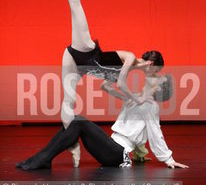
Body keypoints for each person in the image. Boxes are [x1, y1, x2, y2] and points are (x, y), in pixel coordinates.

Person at [58, 0, 165, 131]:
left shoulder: (130, 68)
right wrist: (136, 99)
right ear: (151, 64)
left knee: (69, 100)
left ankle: (73, 150)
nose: (154, 76)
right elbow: (122, 83)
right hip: (86, 51)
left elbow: (106, 87)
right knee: (75, 2)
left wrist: (126, 99)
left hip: (79, 67)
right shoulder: (131, 59)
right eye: (156, 71)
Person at [16, 73, 189, 170]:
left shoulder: (151, 107)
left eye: (159, 79)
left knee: (79, 121)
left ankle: (42, 159)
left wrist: (168, 159)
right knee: (73, 122)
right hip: (111, 146)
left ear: (158, 88)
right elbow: (107, 89)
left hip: (118, 153)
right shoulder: (137, 98)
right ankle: (40, 158)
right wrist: (112, 75)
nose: (155, 77)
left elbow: (155, 133)